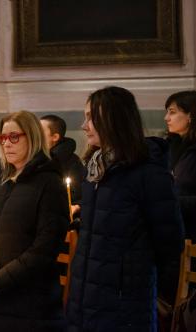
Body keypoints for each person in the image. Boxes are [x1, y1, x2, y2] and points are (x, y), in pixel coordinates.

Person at [66, 86, 184, 331]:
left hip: (125, 302)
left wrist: (130, 278)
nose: (84, 125)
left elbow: (169, 241)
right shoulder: (95, 168)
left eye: (91, 117)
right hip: (87, 296)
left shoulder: (148, 172)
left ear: (114, 120)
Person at [0, 110, 69, 331]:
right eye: (3, 138)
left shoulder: (50, 183)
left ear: (32, 137)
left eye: (14, 137)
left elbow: (45, 247)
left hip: (29, 305)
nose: (7, 144)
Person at [164, 90, 196, 242]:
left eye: (172, 112)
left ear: (191, 115)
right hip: (172, 231)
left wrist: (170, 201)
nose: (166, 118)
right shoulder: (169, 146)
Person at [40, 114, 85, 213]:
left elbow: (78, 196)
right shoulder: (37, 159)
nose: (36, 135)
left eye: (40, 131)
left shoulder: (71, 162)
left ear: (55, 137)